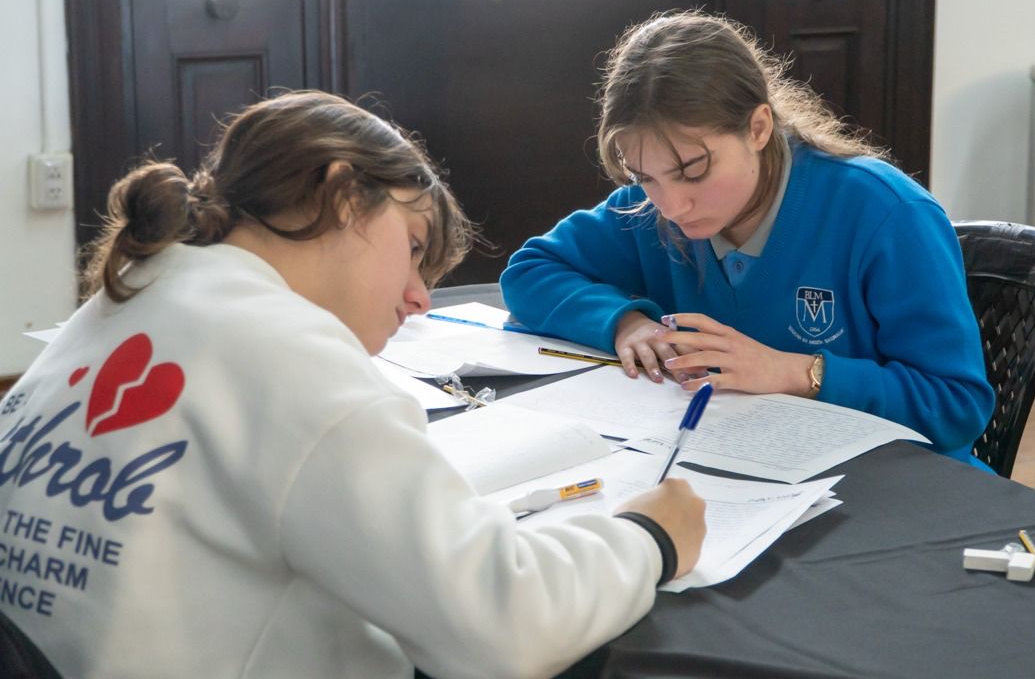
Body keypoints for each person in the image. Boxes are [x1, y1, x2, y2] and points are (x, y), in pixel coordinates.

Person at [0, 90, 705, 678]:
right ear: (343, 194)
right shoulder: (286, 353)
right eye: (414, 248)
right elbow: (506, 626)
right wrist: (649, 537)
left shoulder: (130, 297)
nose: (419, 298)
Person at [501, 11, 994, 466]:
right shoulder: (647, 210)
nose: (671, 206)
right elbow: (530, 273)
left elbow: (957, 404)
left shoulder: (886, 214)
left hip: (893, 485)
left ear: (758, 128)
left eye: (693, 170)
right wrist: (626, 324)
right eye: (644, 176)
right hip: (733, 470)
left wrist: (796, 373)